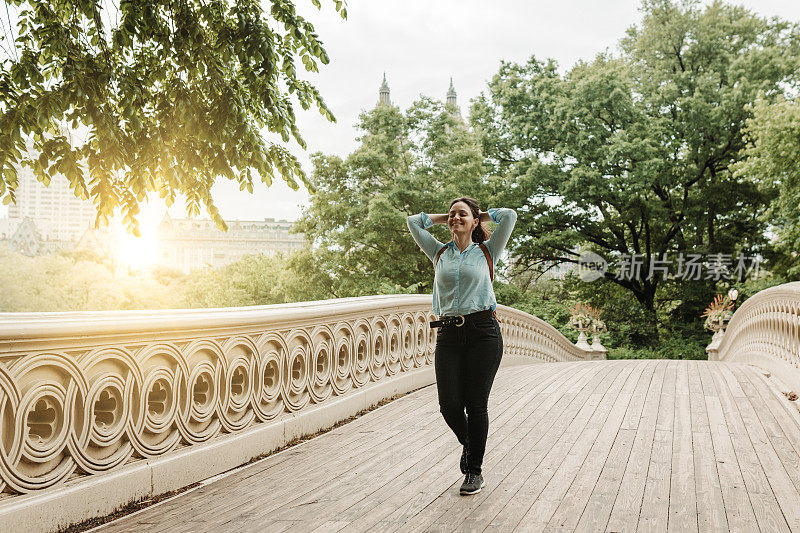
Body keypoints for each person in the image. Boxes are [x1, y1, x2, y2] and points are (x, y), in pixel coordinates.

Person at [406, 197, 517, 495]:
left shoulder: (487, 250)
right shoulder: (439, 251)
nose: (456, 218)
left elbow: (509, 216)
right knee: (449, 406)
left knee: (476, 404)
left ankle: (474, 471)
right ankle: (470, 446)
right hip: (449, 335)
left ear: (475, 220)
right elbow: (413, 223)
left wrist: (478, 215)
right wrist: (449, 217)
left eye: (462, 215)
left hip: (483, 332)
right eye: (453, 214)